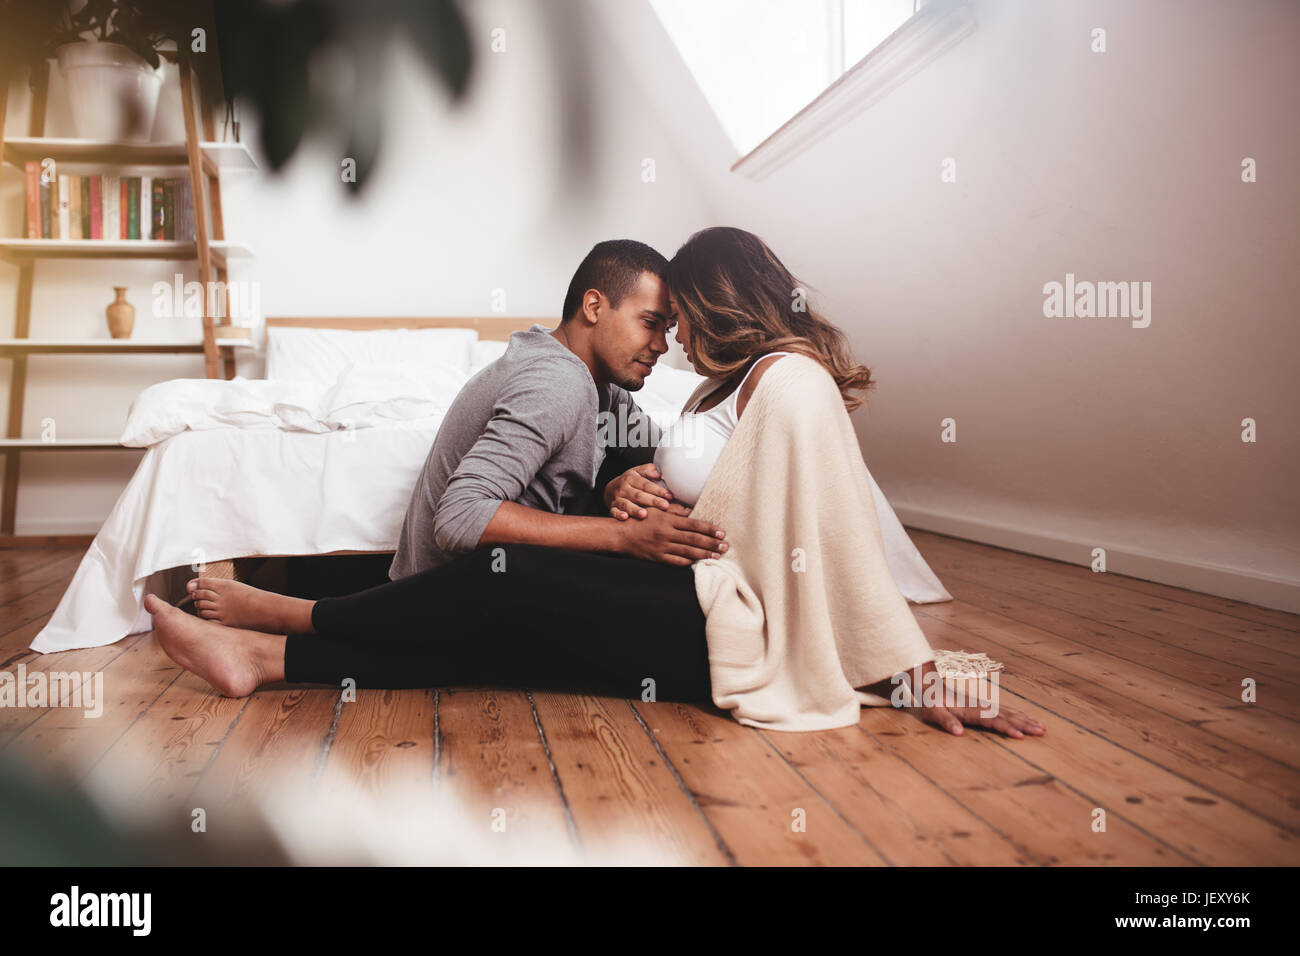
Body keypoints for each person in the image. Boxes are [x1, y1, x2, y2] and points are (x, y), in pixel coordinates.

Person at [145, 228, 1045, 739]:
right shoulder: (587, 381)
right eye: (658, 323)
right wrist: (626, 512)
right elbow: (540, 496)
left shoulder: (777, 382)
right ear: (594, 309)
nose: (668, 343)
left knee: (511, 612)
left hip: (727, 608)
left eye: (679, 324)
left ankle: (280, 635)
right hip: (694, 594)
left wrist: (913, 673)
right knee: (507, 614)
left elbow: (832, 527)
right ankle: (276, 642)